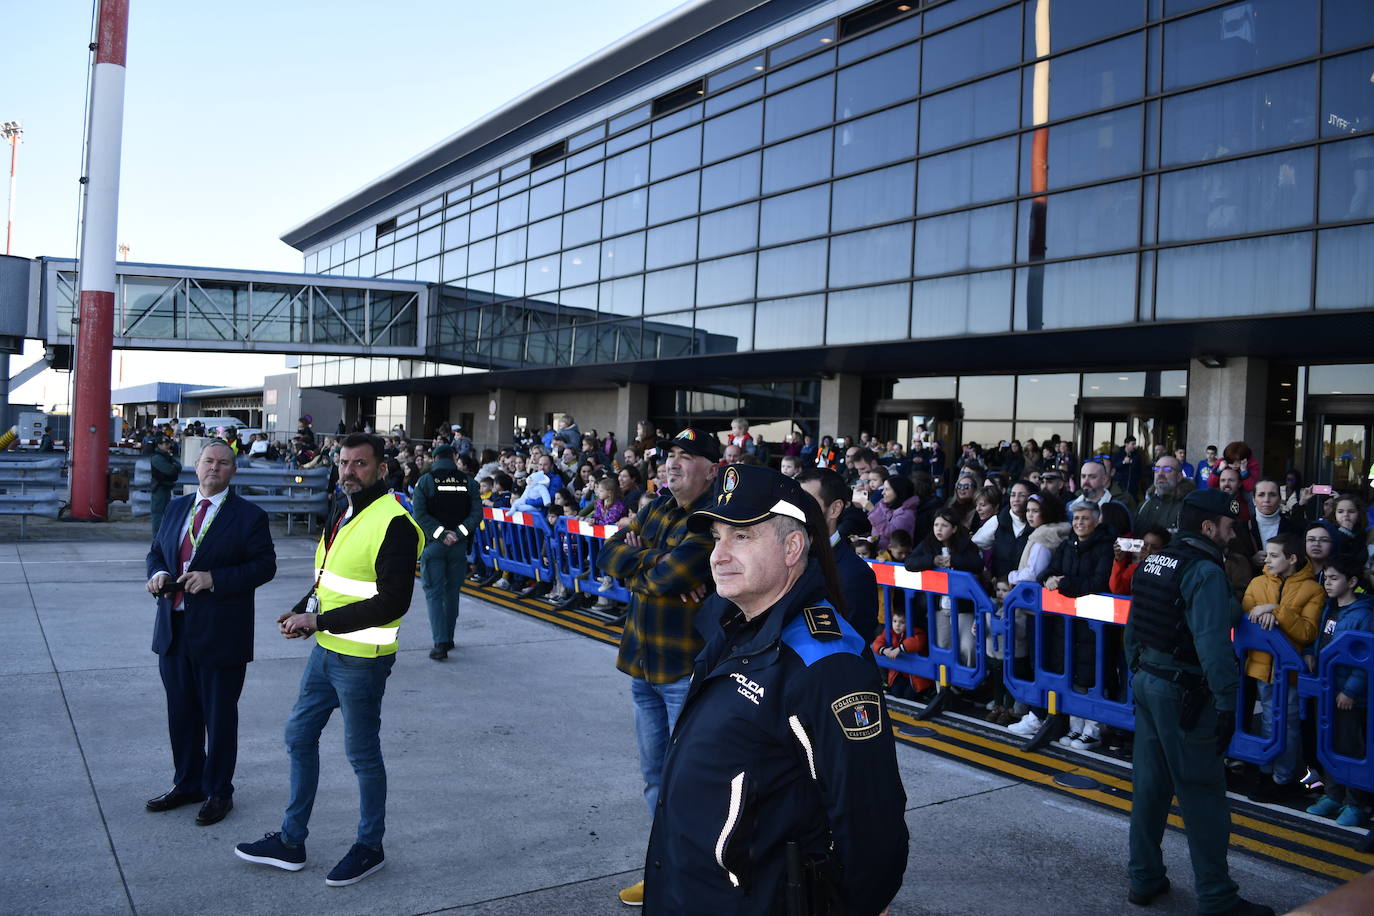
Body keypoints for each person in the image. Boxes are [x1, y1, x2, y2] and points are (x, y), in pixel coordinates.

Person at [645, 463, 908, 914]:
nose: (718, 555)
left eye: (742, 537)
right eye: (717, 537)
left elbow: (869, 821)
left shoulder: (826, 664)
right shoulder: (732, 626)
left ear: (792, 547)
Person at [235, 433, 423, 887]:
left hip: (362, 659)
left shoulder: (395, 522)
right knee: (298, 737)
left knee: (361, 754)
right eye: (343, 463)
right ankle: (290, 840)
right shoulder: (342, 511)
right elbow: (328, 580)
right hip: (327, 651)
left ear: (381, 469)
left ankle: (369, 846)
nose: (348, 471)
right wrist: (304, 610)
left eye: (359, 464)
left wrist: (319, 623)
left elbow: (394, 601)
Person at [1125, 488, 1275, 916]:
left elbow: (1135, 627)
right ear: (1209, 527)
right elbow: (1212, 644)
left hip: (1149, 682)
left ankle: (1144, 879)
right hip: (1185, 693)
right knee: (1203, 795)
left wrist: (1137, 672)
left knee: (1150, 790)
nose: (1235, 532)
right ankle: (1216, 896)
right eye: (1230, 525)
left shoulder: (1156, 560)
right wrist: (1227, 704)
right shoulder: (1206, 572)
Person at [597, 428, 719, 907]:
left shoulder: (711, 517)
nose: (672, 463)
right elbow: (609, 553)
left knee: (687, 780)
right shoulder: (657, 507)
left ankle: (698, 875)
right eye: (670, 455)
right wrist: (652, 565)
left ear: (712, 469)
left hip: (683, 670)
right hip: (642, 665)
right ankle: (665, 868)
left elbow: (670, 576)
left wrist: (645, 565)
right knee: (654, 776)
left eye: (685, 457)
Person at [144, 439, 277, 827]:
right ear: (196, 465)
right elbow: (157, 551)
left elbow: (264, 567)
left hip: (221, 633)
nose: (214, 468)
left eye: (223, 463)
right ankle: (187, 783)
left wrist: (214, 578)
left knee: (219, 717)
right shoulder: (176, 507)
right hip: (174, 628)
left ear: (233, 470)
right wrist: (158, 573)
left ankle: (219, 791)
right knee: (181, 713)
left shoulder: (249, 516)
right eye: (208, 461)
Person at [1241, 532, 1322, 802]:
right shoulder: (1257, 582)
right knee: (1267, 720)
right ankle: (1266, 770)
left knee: (1287, 724)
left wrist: (1276, 610)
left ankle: (1283, 777)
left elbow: (1307, 632)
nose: (1268, 558)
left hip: (1290, 670)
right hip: (1262, 666)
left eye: (1275, 555)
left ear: (1293, 558)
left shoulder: (1313, 590)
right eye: (1268, 554)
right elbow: (1249, 616)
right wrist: (1263, 614)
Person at [1303, 555, 1373, 828]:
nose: (1327, 583)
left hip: (1350, 697)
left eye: (1334, 579)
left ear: (1352, 582)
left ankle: (1355, 802)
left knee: (1350, 747)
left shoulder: (1364, 615)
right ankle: (1333, 794)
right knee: (1328, 744)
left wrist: (1351, 691)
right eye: (1326, 578)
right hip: (1327, 688)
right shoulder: (1329, 609)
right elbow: (1319, 641)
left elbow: (1364, 658)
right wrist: (1310, 654)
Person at [411, 444, 482, 661]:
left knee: (434, 593)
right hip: (458, 547)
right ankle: (449, 638)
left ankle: (440, 643)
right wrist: (457, 534)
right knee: (452, 592)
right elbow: (476, 514)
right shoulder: (469, 482)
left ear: (434, 459)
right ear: (454, 457)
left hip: (434, 545)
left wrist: (442, 534)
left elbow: (420, 514)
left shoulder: (425, 482)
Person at [797, 467, 880, 640]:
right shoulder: (780, 557)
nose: (798, 510)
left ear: (835, 509)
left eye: (808, 502)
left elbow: (855, 645)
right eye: (796, 501)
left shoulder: (855, 574)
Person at [1133, 455, 1195, 535]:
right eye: (1157, 469)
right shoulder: (1144, 505)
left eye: (1167, 469)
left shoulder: (1188, 507)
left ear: (1179, 477)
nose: (1160, 473)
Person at [149, 435, 182, 535]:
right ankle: (157, 537)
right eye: (165, 444)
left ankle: (162, 536)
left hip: (166, 487)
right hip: (159, 488)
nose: (168, 446)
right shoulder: (157, 458)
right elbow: (170, 470)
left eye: (168, 443)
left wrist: (174, 467)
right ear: (159, 445)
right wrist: (174, 467)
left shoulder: (167, 456)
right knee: (158, 514)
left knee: (165, 514)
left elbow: (178, 467)